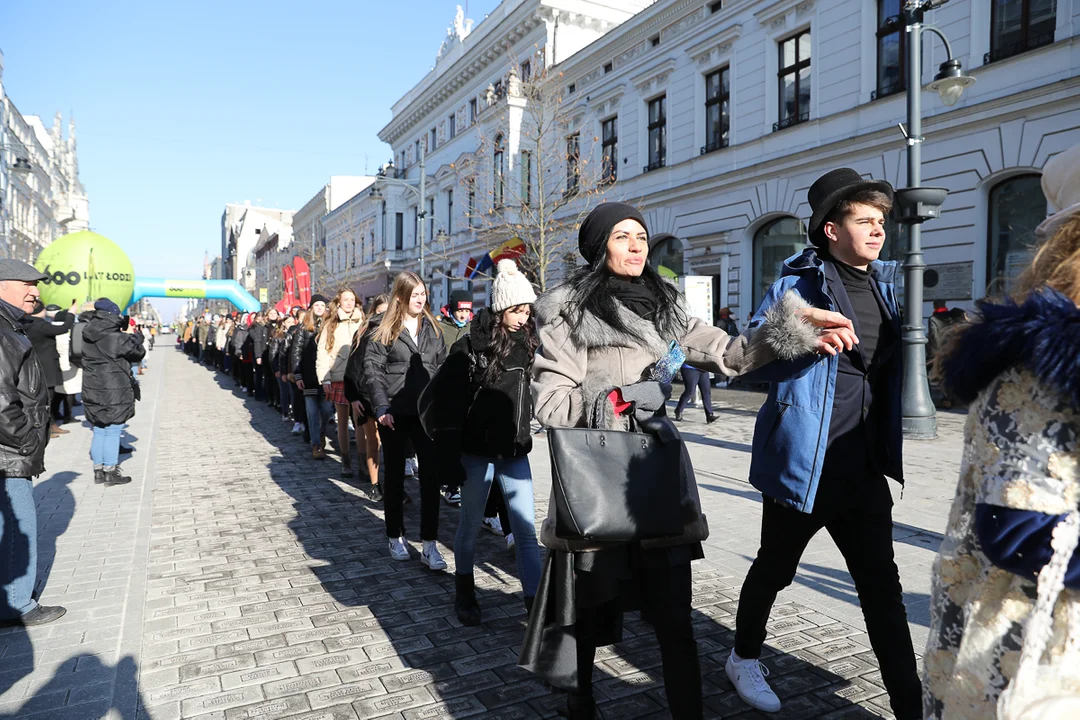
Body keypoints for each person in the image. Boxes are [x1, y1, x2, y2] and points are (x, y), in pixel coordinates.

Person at [521, 202, 855, 719]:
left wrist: (794, 326)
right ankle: (580, 703)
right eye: (622, 237)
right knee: (589, 616)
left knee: (676, 622)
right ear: (598, 247)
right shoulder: (565, 311)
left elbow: (732, 353)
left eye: (641, 236)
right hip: (599, 485)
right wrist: (623, 398)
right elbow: (551, 405)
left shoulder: (666, 304)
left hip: (655, 483)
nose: (637, 246)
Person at [724, 169, 920, 719]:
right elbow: (747, 365)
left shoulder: (887, 286)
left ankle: (911, 706)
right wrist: (803, 336)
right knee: (775, 568)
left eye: (881, 221)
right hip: (802, 467)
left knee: (883, 592)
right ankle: (743, 657)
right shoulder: (795, 286)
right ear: (831, 229)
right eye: (864, 220)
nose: (878, 230)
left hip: (864, 469)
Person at [924, 147, 1080, 719]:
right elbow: (1016, 527)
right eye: (863, 219)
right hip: (1031, 642)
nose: (874, 229)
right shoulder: (1042, 360)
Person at [423, 259, 543, 626]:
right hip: (476, 452)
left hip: (515, 451)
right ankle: (464, 591)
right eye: (515, 310)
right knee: (470, 525)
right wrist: (448, 458)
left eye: (526, 310)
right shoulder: (470, 346)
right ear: (500, 307)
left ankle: (535, 606)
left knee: (525, 531)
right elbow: (445, 404)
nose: (522, 317)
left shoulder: (532, 344)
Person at [364, 272, 447, 570]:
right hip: (394, 414)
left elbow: (441, 367)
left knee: (430, 479)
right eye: (415, 295)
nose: (421, 299)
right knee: (396, 476)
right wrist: (382, 406)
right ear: (400, 296)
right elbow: (372, 370)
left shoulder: (433, 328)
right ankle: (394, 535)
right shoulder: (384, 328)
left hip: (426, 415)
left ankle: (429, 544)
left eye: (423, 293)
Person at [0, 259, 66, 627]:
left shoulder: (10, 325)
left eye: (36, 284)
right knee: (18, 527)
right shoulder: (3, 330)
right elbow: (1, 398)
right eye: (26, 283)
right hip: (8, 450)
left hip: (9, 447)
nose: (35, 290)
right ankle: (16, 605)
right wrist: (25, 440)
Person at [80, 299, 145, 487]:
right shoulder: (117, 337)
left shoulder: (86, 334)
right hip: (114, 387)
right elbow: (138, 353)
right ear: (113, 315)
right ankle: (110, 471)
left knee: (99, 428)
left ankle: (98, 470)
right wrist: (135, 337)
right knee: (114, 429)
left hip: (92, 386)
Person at [316, 289, 365, 477]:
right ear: (338, 302)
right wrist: (325, 378)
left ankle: (362, 461)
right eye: (346, 299)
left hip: (359, 378)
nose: (349, 303)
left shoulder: (363, 321)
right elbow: (323, 352)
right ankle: (346, 460)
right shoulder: (331, 324)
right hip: (338, 378)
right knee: (343, 421)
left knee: (360, 421)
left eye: (352, 299)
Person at [344, 294, 389, 500]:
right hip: (366, 393)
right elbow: (353, 366)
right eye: (380, 312)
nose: (384, 317)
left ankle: (393, 484)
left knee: (391, 444)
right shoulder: (364, 332)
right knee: (374, 440)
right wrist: (353, 397)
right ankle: (374, 484)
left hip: (392, 394)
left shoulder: (399, 331)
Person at [436, 289, 474, 506]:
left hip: (468, 391)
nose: (463, 315)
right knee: (447, 440)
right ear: (452, 308)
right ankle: (450, 485)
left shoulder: (473, 328)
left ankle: (461, 482)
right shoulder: (441, 328)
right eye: (460, 310)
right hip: (446, 391)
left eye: (467, 311)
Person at [21, 302, 74, 437]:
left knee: (46, 397)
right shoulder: (40, 325)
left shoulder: (27, 323)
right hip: (47, 364)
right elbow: (63, 328)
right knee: (47, 398)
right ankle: (47, 427)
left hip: (38, 363)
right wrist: (71, 314)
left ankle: (51, 424)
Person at [292, 295, 332, 459]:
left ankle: (320, 434)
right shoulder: (303, 328)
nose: (320, 308)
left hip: (326, 376)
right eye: (317, 305)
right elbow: (296, 353)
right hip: (308, 377)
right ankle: (316, 444)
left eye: (322, 305)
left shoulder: (330, 326)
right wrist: (298, 375)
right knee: (312, 414)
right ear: (311, 308)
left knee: (327, 411)